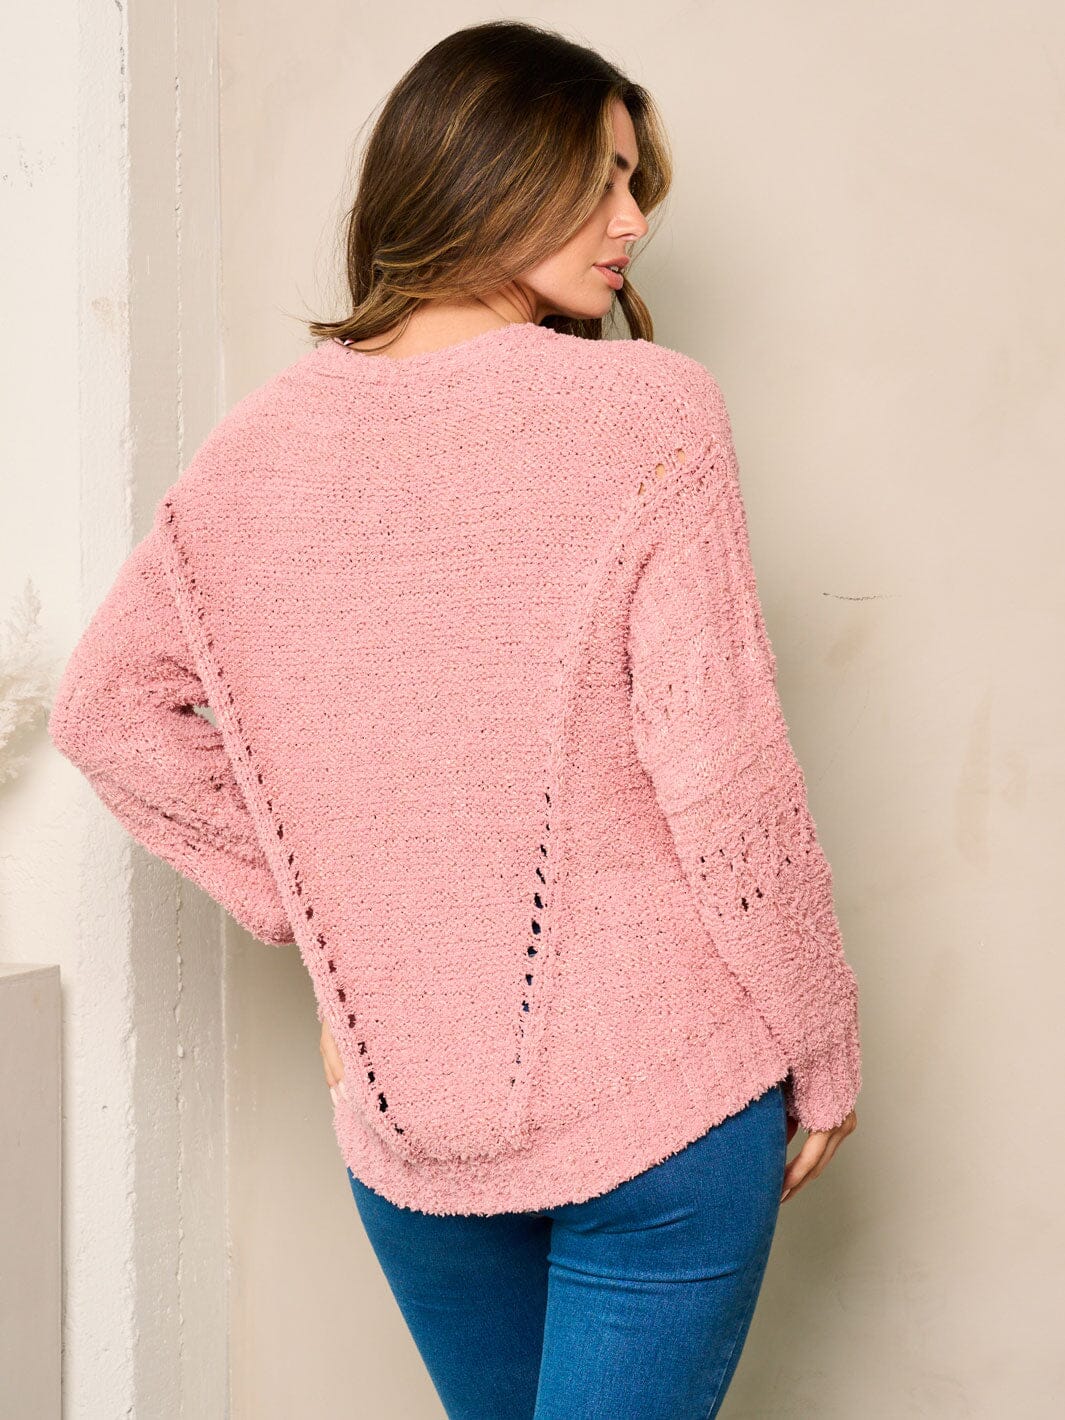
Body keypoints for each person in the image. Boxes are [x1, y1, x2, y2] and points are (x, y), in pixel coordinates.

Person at [49, 19, 861, 1419]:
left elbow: (108, 711)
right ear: (486, 173)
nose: (634, 221)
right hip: (671, 1101)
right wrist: (821, 1040)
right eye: (600, 178)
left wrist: (331, 919)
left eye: (636, 182)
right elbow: (724, 771)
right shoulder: (647, 412)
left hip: (405, 1110)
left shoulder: (255, 451)